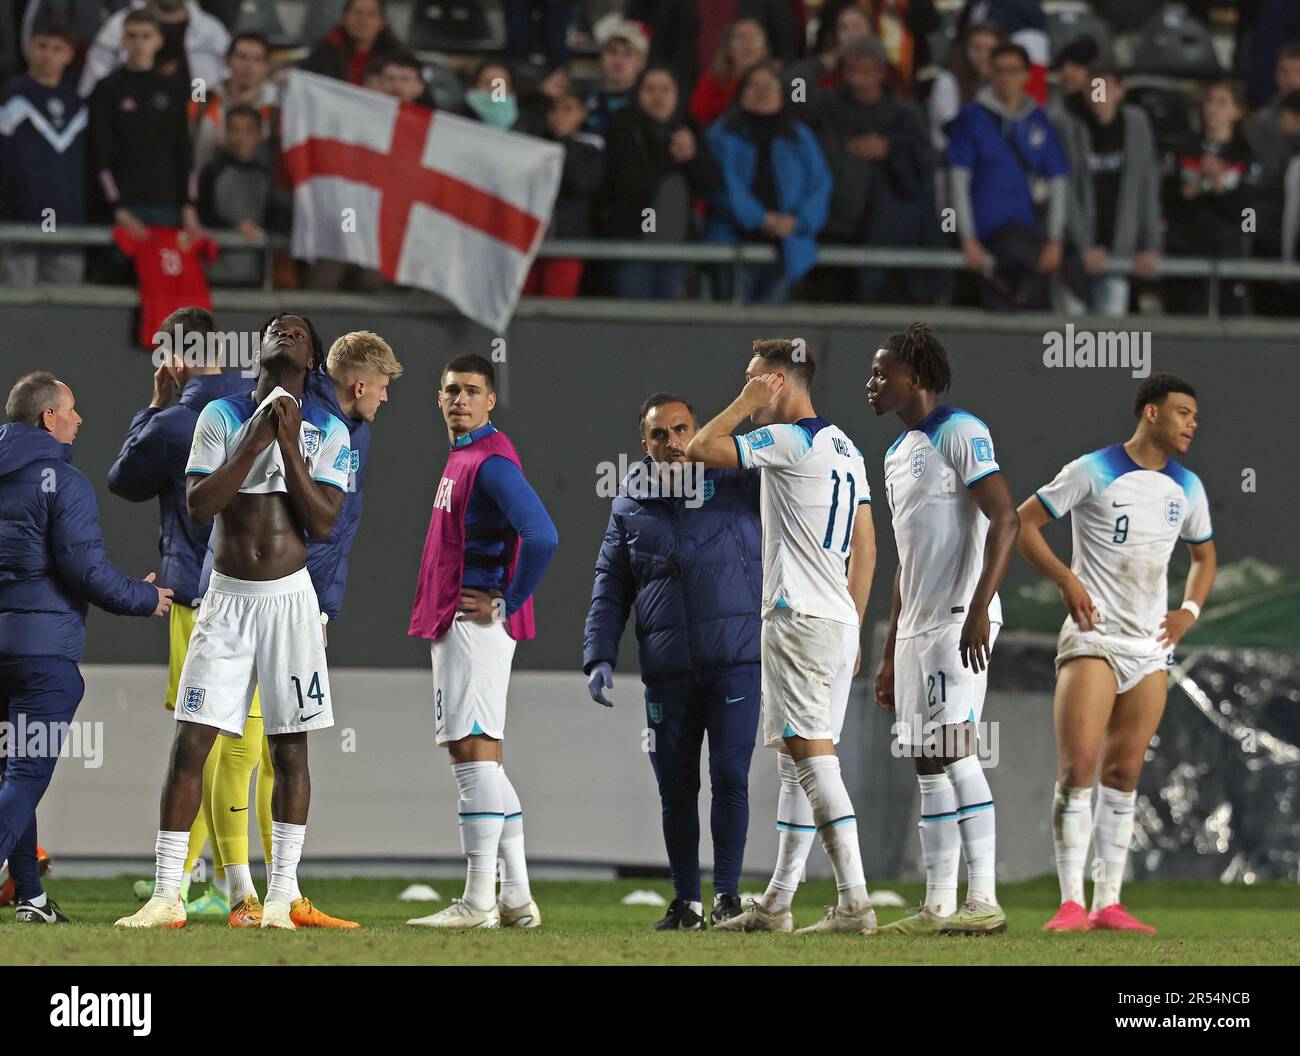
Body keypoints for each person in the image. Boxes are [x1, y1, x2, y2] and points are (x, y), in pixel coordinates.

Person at [114, 314, 350, 930]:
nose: (284, 333)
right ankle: (169, 895)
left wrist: (289, 441)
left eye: (298, 332)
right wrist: (257, 435)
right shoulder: (219, 415)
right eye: (276, 328)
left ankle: (281, 897)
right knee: (192, 740)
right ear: (261, 349)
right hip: (223, 599)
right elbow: (199, 506)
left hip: (290, 603)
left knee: (289, 746)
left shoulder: (329, 429)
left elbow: (322, 522)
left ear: (313, 359)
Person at [690, 339, 878, 936]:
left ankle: (855, 902)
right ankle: (775, 904)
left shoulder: (790, 439)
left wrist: (744, 402)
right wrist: (851, 622)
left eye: (753, 379)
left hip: (798, 617)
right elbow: (867, 548)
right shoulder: (847, 447)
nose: (746, 386)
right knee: (802, 763)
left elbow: (700, 447)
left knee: (813, 760)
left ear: (776, 381)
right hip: (837, 620)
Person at [1016, 375, 1216, 934]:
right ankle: (1070, 903)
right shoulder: (1094, 469)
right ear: (1151, 414)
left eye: (1194, 415)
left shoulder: (1188, 488)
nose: (1191, 423)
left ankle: (1108, 903)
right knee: (1079, 768)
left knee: (1124, 774)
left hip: (1149, 649)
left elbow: (1204, 559)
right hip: (1093, 639)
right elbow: (1023, 522)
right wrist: (1065, 580)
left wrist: (1188, 613)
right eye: (1182, 412)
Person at [583, 393, 762, 930]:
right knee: (676, 788)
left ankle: (728, 896)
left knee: (730, 775)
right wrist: (598, 655)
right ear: (645, 445)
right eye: (660, 434)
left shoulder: (736, 483)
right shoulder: (629, 504)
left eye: (682, 429)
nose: (673, 441)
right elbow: (609, 589)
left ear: (698, 431)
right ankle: (687, 903)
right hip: (668, 673)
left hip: (735, 661)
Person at [1, 371, 173, 924]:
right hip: (43, 659)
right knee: (25, 778)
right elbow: (84, 568)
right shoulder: (61, 480)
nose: (79, 420)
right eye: (71, 410)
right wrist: (142, 597)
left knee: (12, 778)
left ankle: (30, 897)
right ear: (47, 417)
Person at [867, 323, 1019, 936]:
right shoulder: (896, 454)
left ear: (917, 379)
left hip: (960, 617)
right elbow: (906, 560)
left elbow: (1006, 519)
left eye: (883, 373)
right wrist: (887, 651)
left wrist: (980, 607)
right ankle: (938, 906)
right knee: (925, 761)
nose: (872, 383)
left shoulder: (963, 431)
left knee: (955, 748)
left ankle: (983, 899)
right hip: (915, 627)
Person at [407, 355, 558, 930]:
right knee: (486, 757)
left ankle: (478, 901)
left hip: (475, 625)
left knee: (471, 755)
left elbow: (542, 534)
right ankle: (515, 896)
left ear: (490, 400)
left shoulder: (489, 461)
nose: (460, 400)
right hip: (466, 624)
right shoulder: (466, 455)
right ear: (439, 398)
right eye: (451, 391)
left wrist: (505, 601)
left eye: (472, 391)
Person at [105, 306, 248, 914]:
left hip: (198, 595)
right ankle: (225, 882)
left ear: (177, 355)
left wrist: (156, 404)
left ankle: (194, 882)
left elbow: (123, 480)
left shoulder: (179, 421)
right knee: (250, 739)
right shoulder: (254, 402)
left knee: (201, 737)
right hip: (267, 593)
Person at [808, 34, 942, 304]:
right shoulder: (825, 106)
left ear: (881, 73)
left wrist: (890, 148)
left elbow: (924, 167)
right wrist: (824, 62)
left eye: (866, 72)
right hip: (834, 226)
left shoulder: (906, 113)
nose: (858, 80)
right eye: (851, 71)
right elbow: (792, 87)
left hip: (893, 230)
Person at [946, 42, 1070, 310]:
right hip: (988, 237)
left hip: (1028, 237)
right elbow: (956, 182)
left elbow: (1059, 181)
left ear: (1027, 75)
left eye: (1013, 71)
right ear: (990, 73)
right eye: (999, 70)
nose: (1005, 78)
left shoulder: (1039, 120)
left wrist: (1055, 239)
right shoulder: (971, 118)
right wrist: (966, 238)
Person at [705, 61, 832, 303]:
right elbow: (722, 187)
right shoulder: (720, 136)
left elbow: (820, 184)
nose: (762, 92)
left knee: (775, 334)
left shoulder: (799, 136)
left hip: (790, 247)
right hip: (734, 244)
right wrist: (761, 218)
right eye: (754, 86)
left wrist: (798, 222)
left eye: (770, 86)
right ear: (740, 93)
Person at [598, 65, 720, 299]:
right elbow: (626, 185)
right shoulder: (623, 125)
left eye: (666, 90)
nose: (658, 97)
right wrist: (668, 156)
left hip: (678, 250)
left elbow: (709, 185)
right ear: (638, 93)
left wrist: (692, 158)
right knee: (634, 323)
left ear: (677, 95)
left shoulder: (689, 128)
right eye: (650, 89)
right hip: (631, 247)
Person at [88, 8, 202, 241]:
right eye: (132, 35)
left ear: (159, 41)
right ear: (122, 40)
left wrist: (189, 205)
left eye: (146, 36)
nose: (139, 43)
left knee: (166, 276)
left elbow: (183, 148)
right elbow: (100, 153)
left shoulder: (174, 88)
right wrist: (117, 207)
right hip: (125, 206)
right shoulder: (106, 88)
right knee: (120, 277)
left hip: (168, 205)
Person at [1059, 66, 1161, 317]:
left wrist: (1150, 244)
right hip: (1077, 255)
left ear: (1120, 92)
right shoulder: (1070, 125)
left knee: (1109, 338)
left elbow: (1147, 186)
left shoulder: (1136, 124)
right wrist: (1084, 246)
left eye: (1103, 89)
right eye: (1092, 89)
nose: (1097, 96)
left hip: (1120, 254)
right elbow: (1067, 192)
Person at [0, 15, 88, 286]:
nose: (47, 55)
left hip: (68, 221)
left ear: (69, 55)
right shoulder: (11, 97)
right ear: (28, 47)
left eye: (57, 48)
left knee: (63, 312)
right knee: (17, 310)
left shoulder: (77, 103)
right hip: (19, 220)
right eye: (41, 46)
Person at [1163, 81, 1255, 315]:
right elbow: (1166, 200)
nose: (1212, 108)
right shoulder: (1184, 149)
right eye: (1209, 101)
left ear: (1237, 111)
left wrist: (1220, 185)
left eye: (1221, 103)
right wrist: (1189, 191)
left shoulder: (1245, 155)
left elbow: (1250, 215)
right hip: (1185, 252)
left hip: (1227, 256)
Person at [525, 91, 604, 299]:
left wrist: (563, 143)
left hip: (568, 242)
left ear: (582, 114)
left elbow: (582, 185)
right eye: (554, 110)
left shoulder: (592, 149)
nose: (560, 115)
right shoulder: (534, 143)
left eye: (568, 109)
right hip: (531, 241)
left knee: (556, 307)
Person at [197, 104, 287, 286]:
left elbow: (274, 217)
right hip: (214, 274)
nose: (241, 138)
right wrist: (235, 226)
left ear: (259, 135)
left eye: (248, 131)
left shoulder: (266, 176)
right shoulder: (212, 172)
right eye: (234, 130)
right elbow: (202, 214)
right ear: (225, 133)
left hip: (256, 275)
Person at [80, 0, 230, 98]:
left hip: (194, 115)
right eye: (133, 36)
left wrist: (199, 103)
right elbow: (94, 79)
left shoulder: (211, 29)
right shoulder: (120, 24)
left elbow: (219, 78)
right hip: (128, 111)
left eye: (146, 36)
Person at [652, 0, 798, 98]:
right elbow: (664, 39)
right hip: (689, 82)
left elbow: (786, 42)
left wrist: (778, 74)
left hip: (755, 86)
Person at [188, 31, 279, 176]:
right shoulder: (202, 99)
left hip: (261, 191)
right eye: (242, 57)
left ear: (266, 66)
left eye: (257, 59)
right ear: (227, 60)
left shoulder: (277, 105)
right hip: (207, 189)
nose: (249, 67)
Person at [928, 20, 1003, 154]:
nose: (984, 56)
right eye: (977, 49)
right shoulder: (948, 82)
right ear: (966, 50)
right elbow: (947, 134)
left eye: (991, 50)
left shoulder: (1004, 82)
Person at [688, 17, 768, 130]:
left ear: (764, 49)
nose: (748, 45)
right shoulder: (710, 82)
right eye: (740, 39)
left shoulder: (775, 82)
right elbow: (698, 122)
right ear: (728, 47)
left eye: (756, 39)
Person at [301, 0, 402, 88]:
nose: (363, 20)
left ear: (382, 22)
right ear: (344, 18)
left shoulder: (399, 59)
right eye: (357, 13)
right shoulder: (323, 54)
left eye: (371, 14)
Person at [582, 15, 649, 138]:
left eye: (628, 54)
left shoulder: (647, 105)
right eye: (612, 51)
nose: (618, 60)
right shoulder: (582, 98)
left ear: (641, 63)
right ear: (601, 57)